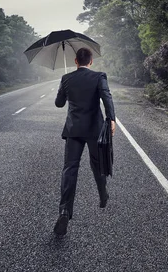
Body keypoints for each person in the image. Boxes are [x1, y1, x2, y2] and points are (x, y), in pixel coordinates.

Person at [53, 47, 116, 236]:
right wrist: (111, 118)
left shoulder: (66, 79)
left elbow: (59, 103)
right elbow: (107, 97)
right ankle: (103, 193)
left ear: (75, 61)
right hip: (94, 129)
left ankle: (64, 210)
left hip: (73, 130)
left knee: (70, 169)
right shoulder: (99, 76)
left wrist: (63, 88)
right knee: (97, 164)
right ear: (91, 61)